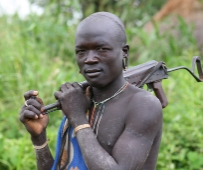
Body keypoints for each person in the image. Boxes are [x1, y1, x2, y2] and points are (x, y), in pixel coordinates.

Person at [19, 12, 163, 170]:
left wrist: (78, 118)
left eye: (101, 49)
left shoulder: (143, 105)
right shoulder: (79, 101)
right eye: (81, 52)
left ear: (124, 52)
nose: (89, 59)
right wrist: (39, 138)